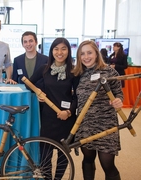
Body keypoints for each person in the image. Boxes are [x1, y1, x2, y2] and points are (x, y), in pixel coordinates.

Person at [72, 40, 123, 180]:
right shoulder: (78, 73)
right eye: (82, 54)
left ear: (96, 53)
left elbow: (119, 93)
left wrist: (118, 100)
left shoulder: (109, 71)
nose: (86, 57)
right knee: (88, 160)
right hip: (85, 124)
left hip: (106, 124)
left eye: (89, 53)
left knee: (108, 165)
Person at [29, 37, 79, 179]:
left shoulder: (74, 72)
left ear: (69, 51)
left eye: (63, 49)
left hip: (66, 118)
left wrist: (69, 112)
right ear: (51, 51)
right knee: (45, 154)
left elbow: (77, 97)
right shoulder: (44, 69)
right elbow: (28, 83)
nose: (60, 52)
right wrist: (38, 91)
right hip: (48, 117)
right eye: (56, 49)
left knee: (63, 154)